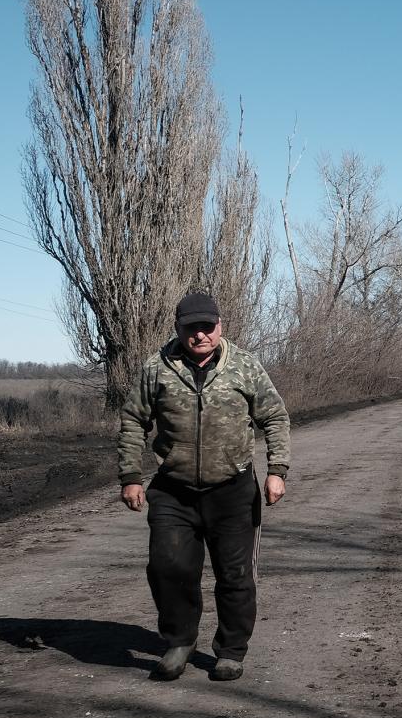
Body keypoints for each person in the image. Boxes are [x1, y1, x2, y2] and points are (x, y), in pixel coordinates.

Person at [117, 292, 291, 682]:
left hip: (232, 489)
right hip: (173, 489)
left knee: (235, 576)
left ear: (219, 326)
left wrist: (277, 469)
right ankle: (179, 641)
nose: (200, 335)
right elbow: (132, 421)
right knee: (168, 567)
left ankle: (230, 650)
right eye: (191, 327)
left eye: (206, 326)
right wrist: (130, 476)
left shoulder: (244, 366)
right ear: (178, 328)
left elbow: (275, 417)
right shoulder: (156, 369)